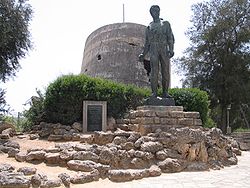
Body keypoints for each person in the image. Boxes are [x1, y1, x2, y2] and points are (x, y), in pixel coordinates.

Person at [139, 5, 175, 98]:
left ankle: (165, 93)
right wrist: (143, 53)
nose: (155, 13)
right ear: (151, 13)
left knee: (165, 71)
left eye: (157, 11)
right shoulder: (149, 27)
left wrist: (171, 49)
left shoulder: (165, 23)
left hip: (164, 47)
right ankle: (154, 93)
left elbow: (170, 37)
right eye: (153, 11)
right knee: (154, 71)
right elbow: (147, 43)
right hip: (153, 49)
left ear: (159, 12)